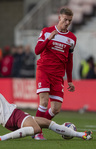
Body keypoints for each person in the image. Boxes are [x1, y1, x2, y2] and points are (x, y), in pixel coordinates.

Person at [0, 34, 92, 141]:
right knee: (36, 129)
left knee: (47, 123)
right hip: (11, 115)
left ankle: (81, 135)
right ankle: (0, 138)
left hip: (7, 119)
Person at [34, 7, 77, 140]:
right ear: (59, 18)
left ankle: (35, 125)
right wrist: (49, 39)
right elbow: (37, 51)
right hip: (44, 70)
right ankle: (37, 132)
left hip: (58, 75)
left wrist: (69, 80)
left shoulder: (72, 38)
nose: (67, 23)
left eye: (69, 20)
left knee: (56, 108)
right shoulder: (46, 32)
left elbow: (69, 60)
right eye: (65, 20)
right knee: (44, 102)